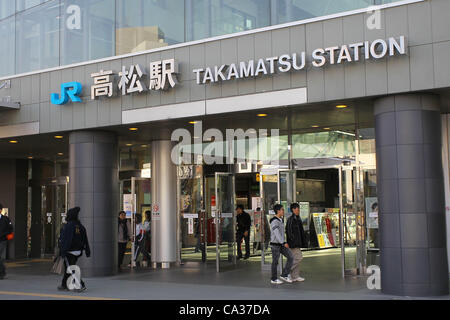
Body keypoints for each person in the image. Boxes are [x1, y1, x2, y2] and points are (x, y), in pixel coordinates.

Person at [58, 207, 90, 292]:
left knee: (71, 268)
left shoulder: (68, 226)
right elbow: (85, 239)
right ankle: (64, 284)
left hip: (69, 251)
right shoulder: (80, 226)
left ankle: (80, 285)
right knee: (69, 267)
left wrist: (62, 251)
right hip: (78, 251)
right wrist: (87, 250)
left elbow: (65, 240)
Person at [270, 204, 294, 284]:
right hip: (275, 245)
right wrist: (283, 242)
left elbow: (281, 233)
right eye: (282, 210)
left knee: (291, 257)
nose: (283, 211)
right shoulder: (274, 221)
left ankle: (284, 274)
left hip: (281, 244)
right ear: (278, 211)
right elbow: (276, 233)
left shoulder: (281, 220)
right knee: (275, 262)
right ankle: (273, 279)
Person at [286, 203, 308, 282]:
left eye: (298, 209)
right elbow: (288, 231)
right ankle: (286, 272)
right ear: (292, 210)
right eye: (296, 209)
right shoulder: (291, 219)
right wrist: (292, 240)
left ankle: (295, 276)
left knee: (295, 258)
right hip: (293, 243)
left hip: (297, 243)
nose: (298, 210)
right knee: (299, 258)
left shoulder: (298, 218)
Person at [0, 203, 13, 280]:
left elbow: (10, 229)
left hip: (2, 241)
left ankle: (2, 272)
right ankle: (2, 271)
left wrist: (6, 237)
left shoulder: (5, 219)